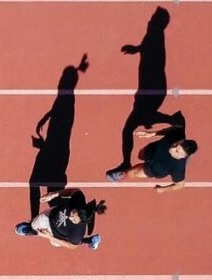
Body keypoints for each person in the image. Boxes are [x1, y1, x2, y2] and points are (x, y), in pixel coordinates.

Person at [105, 7, 186, 180]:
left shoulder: (156, 36)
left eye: (153, 19)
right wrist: (138, 49)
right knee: (136, 123)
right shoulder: (154, 36)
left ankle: (173, 121)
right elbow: (152, 52)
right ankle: (173, 121)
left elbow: (156, 57)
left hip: (152, 89)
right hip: (151, 90)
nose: (150, 21)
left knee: (131, 126)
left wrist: (140, 51)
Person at [28, 55, 89, 219]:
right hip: (56, 150)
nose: (59, 81)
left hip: (54, 151)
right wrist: (46, 117)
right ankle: (40, 219)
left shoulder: (66, 100)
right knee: (51, 194)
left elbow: (59, 126)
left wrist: (44, 145)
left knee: (39, 186)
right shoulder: (64, 98)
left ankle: (36, 220)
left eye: (62, 79)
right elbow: (58, 114)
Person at [107, 123, 197, 193]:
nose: (172, 148)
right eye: (176, 144)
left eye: (177, 151)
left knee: (132, 173)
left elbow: (180, 185)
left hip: (154, 169)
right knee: (140, 155)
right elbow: (173, 130)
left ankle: (124, 174)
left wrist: (163, 189)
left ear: (183, 156)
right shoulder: (178, 134)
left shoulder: (178, 167)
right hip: (152, 150)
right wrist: (153, 134)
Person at [15, 189, 105, 250]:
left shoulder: (78, 232)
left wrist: (49, 237)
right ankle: (31, 228)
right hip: (49, 216)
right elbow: (74, 191)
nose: (69, 217)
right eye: (72, 213)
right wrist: (52, 195)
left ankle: (87, 240)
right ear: (78, 208)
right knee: (33, 225)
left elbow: (71, 246)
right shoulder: (79, 200)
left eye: (74, 220)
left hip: (56, 235)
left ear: (80, 223)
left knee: (56, 243)